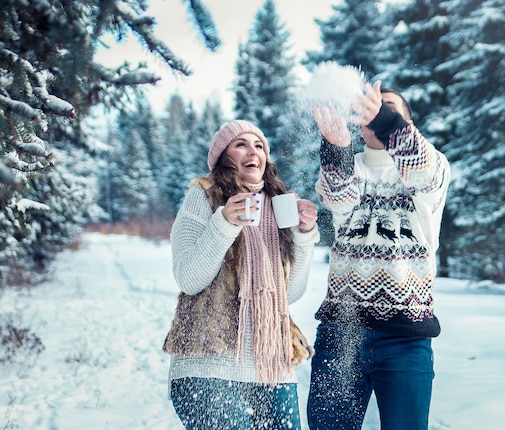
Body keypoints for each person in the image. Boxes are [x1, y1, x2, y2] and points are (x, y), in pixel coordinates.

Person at [307, 81, 450, 430]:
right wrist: (336, 147)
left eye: (387, 109)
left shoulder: (432, 170)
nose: (376, 113)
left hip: (405, 340)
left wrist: (387, 122)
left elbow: (421, 168)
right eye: (369, 108)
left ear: (407, 126)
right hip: (340, 334)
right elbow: (338, 196)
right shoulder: (347, 168)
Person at [162, 120, 320, 430]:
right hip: (208, 367)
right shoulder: (204, 195)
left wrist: (303, 235)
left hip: (272, 367)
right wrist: (224, 224)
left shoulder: (279, 205)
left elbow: (288, 294)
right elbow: (189, 278)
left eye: (259, 145)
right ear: (224, 155)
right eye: (241, 144)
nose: (253, 151)